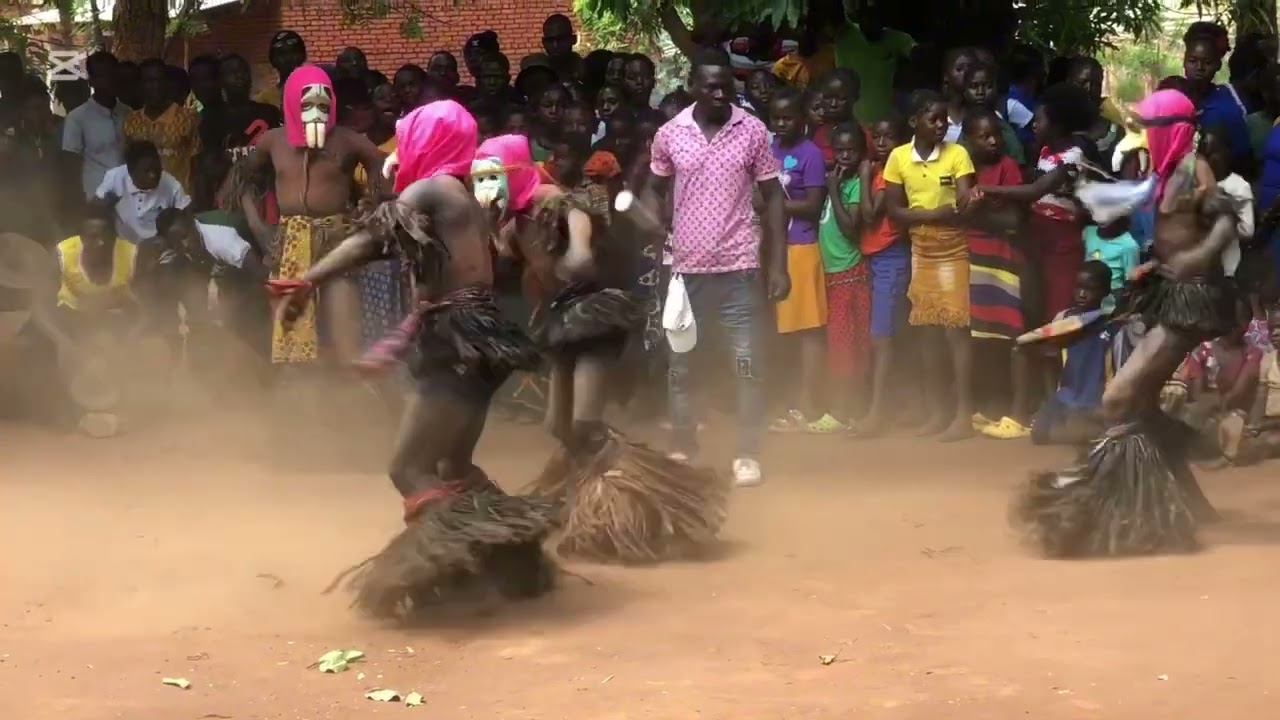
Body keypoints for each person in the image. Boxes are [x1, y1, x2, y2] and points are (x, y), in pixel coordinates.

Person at [277, 101, 554, 617]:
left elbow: (371, 238)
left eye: (407, 140)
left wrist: (307, 279)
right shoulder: (461, 196)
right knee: (453, 464)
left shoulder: (432, 189)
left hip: (457, 340)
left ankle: (461, 576)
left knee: (407, 468)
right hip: (480, 337)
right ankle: (513, 558)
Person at [1014, 89, 1239, 557]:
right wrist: (1154, 262)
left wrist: (1196, 257)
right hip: (1171, 291)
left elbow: (1223, 224)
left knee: (1119, 399)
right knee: (1138, 403)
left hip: (1192, 299)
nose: (1146, 135)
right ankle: (1194, 478)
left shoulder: (1193, 170)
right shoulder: (1164, 171)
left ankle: (1139, 494)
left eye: (1152, 128)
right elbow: (1156, 217)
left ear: (1172, 130)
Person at [638, 48, 788, 487]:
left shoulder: (753, 131)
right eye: (711, 86)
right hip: (685, 273)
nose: (722, 93)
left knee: (745, 363)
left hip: (740, 269)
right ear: (692, 88)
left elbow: (774, 197)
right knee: (683, 366)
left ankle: (747, 454)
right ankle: (684, 446)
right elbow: (654, 187)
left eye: (727, 85)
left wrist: (777, 264)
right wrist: (651, 216)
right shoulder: (669, 134)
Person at [242, 64, 387, 368]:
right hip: (290, 245)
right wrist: (258, 225)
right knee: (293, 343)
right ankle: (303, 405)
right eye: (308, 105)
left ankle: (356, 399)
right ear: (293, 102)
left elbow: (382, 165)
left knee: (346, 336)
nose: (317, 112)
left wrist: (372, 203)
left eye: (324, 105)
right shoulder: (273, 141)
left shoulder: (347, 139)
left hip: (336, 242)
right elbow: (244, 179)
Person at [883, 89, 976, 441]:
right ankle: (938, 412)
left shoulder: (958, 153)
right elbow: (894, 211)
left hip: (953, 248)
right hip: (921, 248)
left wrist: (962, 204)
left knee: (956, 331)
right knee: (928, 331)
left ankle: (963, 414)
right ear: (913, 122)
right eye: (934, 118)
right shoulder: (897, 158)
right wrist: (937, 213)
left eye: (943, 119)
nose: (941, 125)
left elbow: (965, 202)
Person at [977, 82, 1099, 326]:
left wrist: (983, 189)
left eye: (1040, 120)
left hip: (1062, 239)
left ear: (1058, 124)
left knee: (1058, 308)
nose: (1034, 124)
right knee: (1033, 305)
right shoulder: (1045, 150)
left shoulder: (1075, 156)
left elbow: (1036, 190)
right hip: (1036, 234)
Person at [764, 87, 833, 432]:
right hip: (771, 249)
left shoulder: (812, 155)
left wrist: (769, 206)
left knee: (807, 331)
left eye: (787, 117)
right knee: (781, 332)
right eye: (775, 117)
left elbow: (811, 206)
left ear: (803, 119)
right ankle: (787, 401)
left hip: (801, 248)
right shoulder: (767, 150)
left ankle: (808, 405)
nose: (780, 123)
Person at [959, 109, 1027, 437]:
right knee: (979, 337)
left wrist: (974, 215)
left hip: (1002, 260)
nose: (992, 140)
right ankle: (986, 407)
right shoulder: (963, 167)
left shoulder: (1008, 167)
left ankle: (1012, 409)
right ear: (968, 141)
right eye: (983, 135)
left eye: (996, 133)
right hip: (971, 258)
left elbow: (1013, 222)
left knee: (1007, 336)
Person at [851, 115, 911, 435]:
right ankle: (887, 406)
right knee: (881, 335)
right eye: (879, 135)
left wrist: (863, 176)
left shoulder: (890, 174)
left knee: (882, 337)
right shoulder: (878, 170)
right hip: (874, 258)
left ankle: (877, 412)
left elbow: (872, 214)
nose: (883, 142)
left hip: (891, 257)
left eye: (891, 136)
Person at [1010, 261, 1112, 446]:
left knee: (1088, 435)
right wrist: (1053, 398)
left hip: (1095, 401)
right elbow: (1049, 355)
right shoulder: (1063, 319)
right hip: (1065, 396)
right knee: (1039, 435)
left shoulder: (1109, 323)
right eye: (1079, 287)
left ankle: (1085, 430)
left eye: (1090, 289)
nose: (1082, 293)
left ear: (1105, 291)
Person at [818, 122, 871, 426]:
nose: (846, 156)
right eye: (840, 150)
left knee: (846, 347)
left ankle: (844, 411)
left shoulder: (849, 186)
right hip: (832, 275)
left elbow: (851, 228)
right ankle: (846, 408)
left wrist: (832, 192)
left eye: (852, 150)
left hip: (849, 276)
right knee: (840, 345)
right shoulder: (837, 179)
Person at [124, 59, 201, 192]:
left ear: (167, 83)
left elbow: (197, 163)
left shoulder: (188, 118)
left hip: (178, 199)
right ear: (140, 86)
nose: (155, 86)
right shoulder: (131, 121)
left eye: (159, 80)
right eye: (148, 81)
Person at [63, 51, 132, 199]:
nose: (110, 81)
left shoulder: (128, 113)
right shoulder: (77, 118)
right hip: (96, 198)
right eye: (103, 76)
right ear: (91, 81)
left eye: (113, 75)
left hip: (129, 197)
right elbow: (71, 165)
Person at [94, 140, 191, 245]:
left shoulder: (171, 185)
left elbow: (188, 217)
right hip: (123, 245)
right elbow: (95, 208)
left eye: (157, 169)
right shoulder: (115, 178)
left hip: (158, 246)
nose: (153, 175)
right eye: (147, 171)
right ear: (131, 171)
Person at [200, 54, 283, 160]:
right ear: (220, 80)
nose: (240, 76)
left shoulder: (269, 113)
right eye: (232, 72)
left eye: (244, 71)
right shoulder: (211, 119)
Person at [1199, 126, 1254, 277]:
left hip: (1228, 267)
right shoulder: (1199, 185)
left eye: (1214, 152)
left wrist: (1228, 212)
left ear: (1227, 153)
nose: (1210, 160)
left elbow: (1248, 231)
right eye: (1205, 155)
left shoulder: (1238, 187)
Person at [959, 62, 1024, 165]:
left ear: (996, 89)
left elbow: (1019, 166)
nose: (980, 92)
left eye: (987, 86)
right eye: (974, 86)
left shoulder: (1003, 129)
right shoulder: (954, 124)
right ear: (964, 91)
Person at [255, 31, 307, 109]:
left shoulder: (313, 93)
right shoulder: (263, 100)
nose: (287, 60)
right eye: (283, 55)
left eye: (292, 54)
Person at [541, 13, 582, 81]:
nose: (555, 45)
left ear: (573, 39)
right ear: (543, 42)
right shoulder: (540, 74)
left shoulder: (584, 70)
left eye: (561, 40)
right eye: (550, 41)